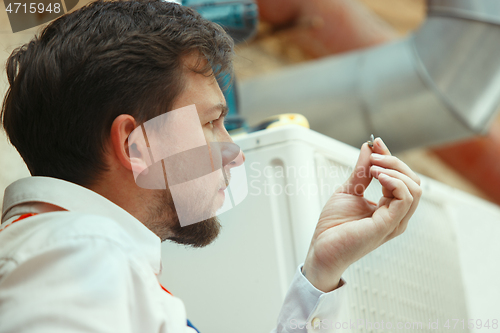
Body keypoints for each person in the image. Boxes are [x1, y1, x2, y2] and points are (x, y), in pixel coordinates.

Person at [0, 1, 422, 332]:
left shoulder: (79, 255)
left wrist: (321, 271)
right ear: (136, 145)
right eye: (211, 122)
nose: (233, 151)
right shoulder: (78, 256)